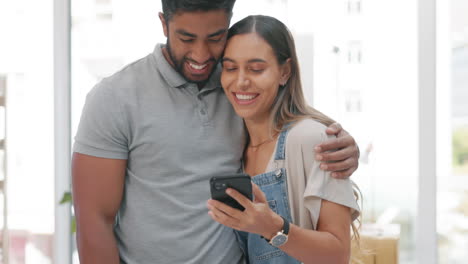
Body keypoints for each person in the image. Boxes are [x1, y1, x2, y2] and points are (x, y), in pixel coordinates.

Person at [72, 1, 360, 263]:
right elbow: (95, 220)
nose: (201, 55)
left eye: (215, 38)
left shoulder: (235, 86)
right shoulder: (114, 97)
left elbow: (289, 123)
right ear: (163, 24)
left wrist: (341, 145)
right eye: (186, 38)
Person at [207, 15, 360, 264]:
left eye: (256, 69)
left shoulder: (313, 139)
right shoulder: (233, 147)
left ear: (284, 72)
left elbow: (338, 254)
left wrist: (272, 228)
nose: (241, 81)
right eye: (231, 68)